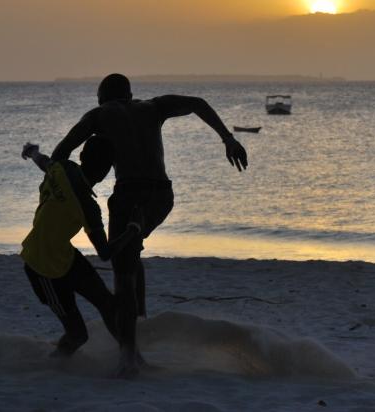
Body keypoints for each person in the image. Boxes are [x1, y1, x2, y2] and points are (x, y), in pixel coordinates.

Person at [50, 73, 248, 377]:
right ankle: (138, 317)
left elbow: (59, 154)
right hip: (161, 197)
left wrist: (70, 186)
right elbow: (198, 103)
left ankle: (129, 357)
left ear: (102, 98)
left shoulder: (98, 115)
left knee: (123, 274)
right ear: (129, 95)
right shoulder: (154, 107)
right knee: (130, 252)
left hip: (130, 195)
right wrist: (229, 139)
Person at [21, 137, 140, 358]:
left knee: (107, 303)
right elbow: (105, 253)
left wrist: (32, 152)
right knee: (77, 335)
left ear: (82, 158)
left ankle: (130, 357)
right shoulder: (87, 206)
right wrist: (133, 229)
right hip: (41, 265)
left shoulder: (63, 167)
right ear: (107, 170)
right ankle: (55, 365)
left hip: (64, 255)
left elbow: (44, 162)